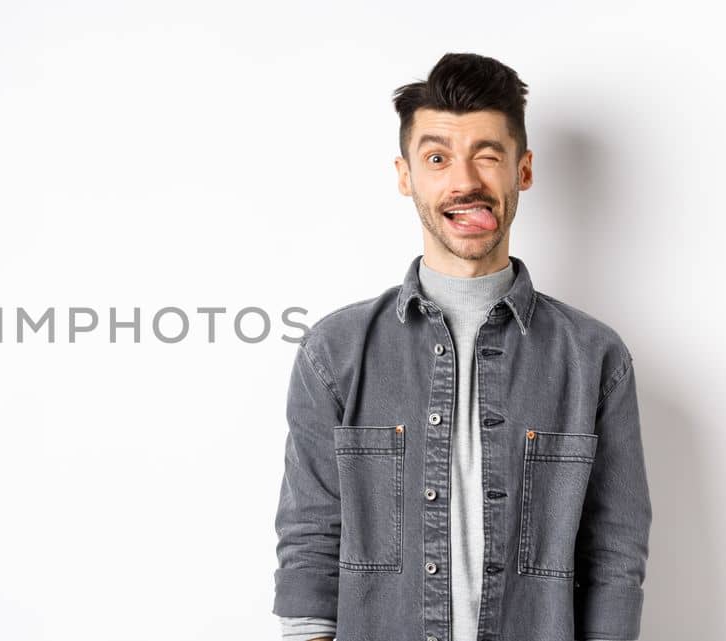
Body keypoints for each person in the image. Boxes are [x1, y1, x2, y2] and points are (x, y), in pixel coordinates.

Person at [272, 53, 652, 641]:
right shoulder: (336, 352)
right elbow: (311, 537)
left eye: (488, 155)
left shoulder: (595, 358)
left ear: (522, 170)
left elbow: (615, 551)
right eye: (437, 157)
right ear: (406, 176)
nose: (465, 181)